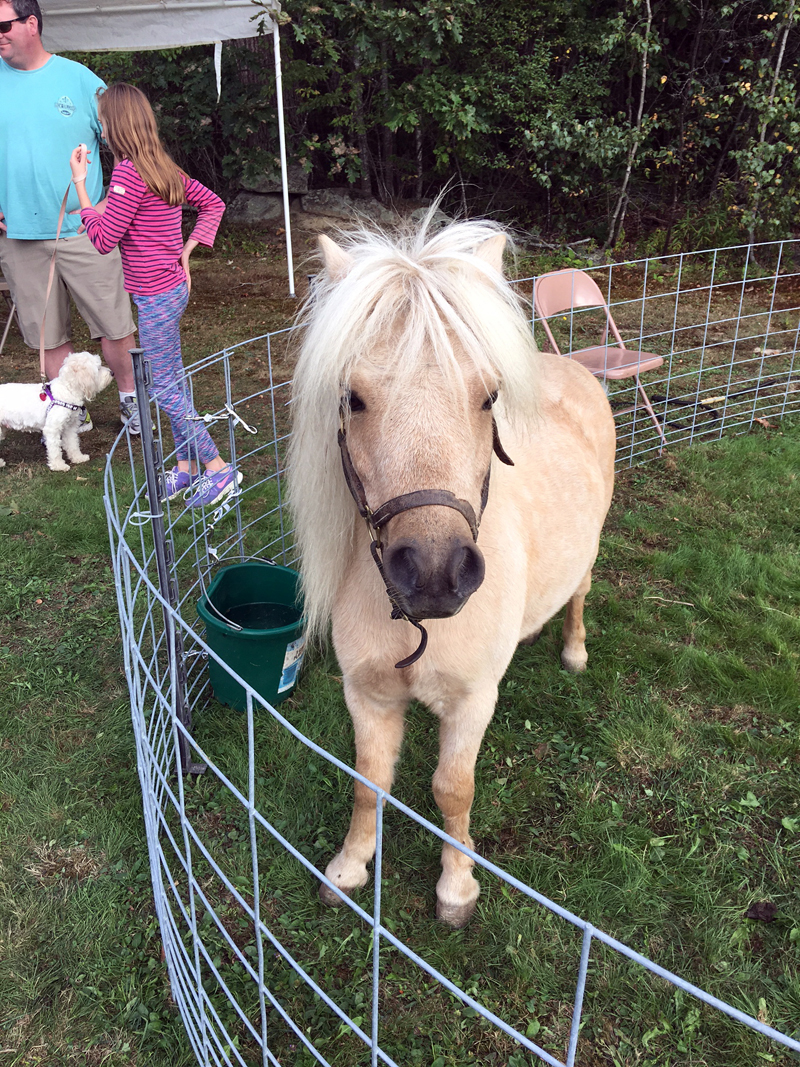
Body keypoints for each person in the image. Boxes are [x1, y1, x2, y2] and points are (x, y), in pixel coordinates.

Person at [69, 82, 240, 509]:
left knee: (164, 387)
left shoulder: (129, 172)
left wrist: (83, 192)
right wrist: (188, 249)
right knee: (172, 379)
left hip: (156, 296)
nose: (101, 130)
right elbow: (213, 204)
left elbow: (105, 239)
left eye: (104, 122)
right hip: (171, 290)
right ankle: (185, 470)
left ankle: (220, 470)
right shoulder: (160, 166)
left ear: (118, 126)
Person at [0, 0, 140, 433]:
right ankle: (71, 413)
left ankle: (132, 401)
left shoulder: (78, 80)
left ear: (31, 23)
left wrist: (109, 203)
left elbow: (128, 139)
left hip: (86, 230)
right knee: (47, 334)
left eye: (2, 25)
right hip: (19, 234)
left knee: (113, 324)